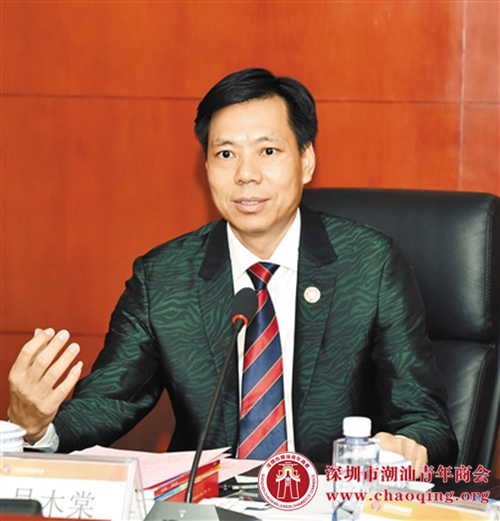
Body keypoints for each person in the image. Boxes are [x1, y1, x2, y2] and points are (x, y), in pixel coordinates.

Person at [8, 68, 458, 470]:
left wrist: (406, 446)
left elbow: (425, 419)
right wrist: (35, 429)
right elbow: (108, 401)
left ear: (306, 161)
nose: (246, 174)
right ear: (205, 165)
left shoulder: (370, 264)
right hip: (206, 506)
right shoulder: (163, 278)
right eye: (225, 154)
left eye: (268, 151)